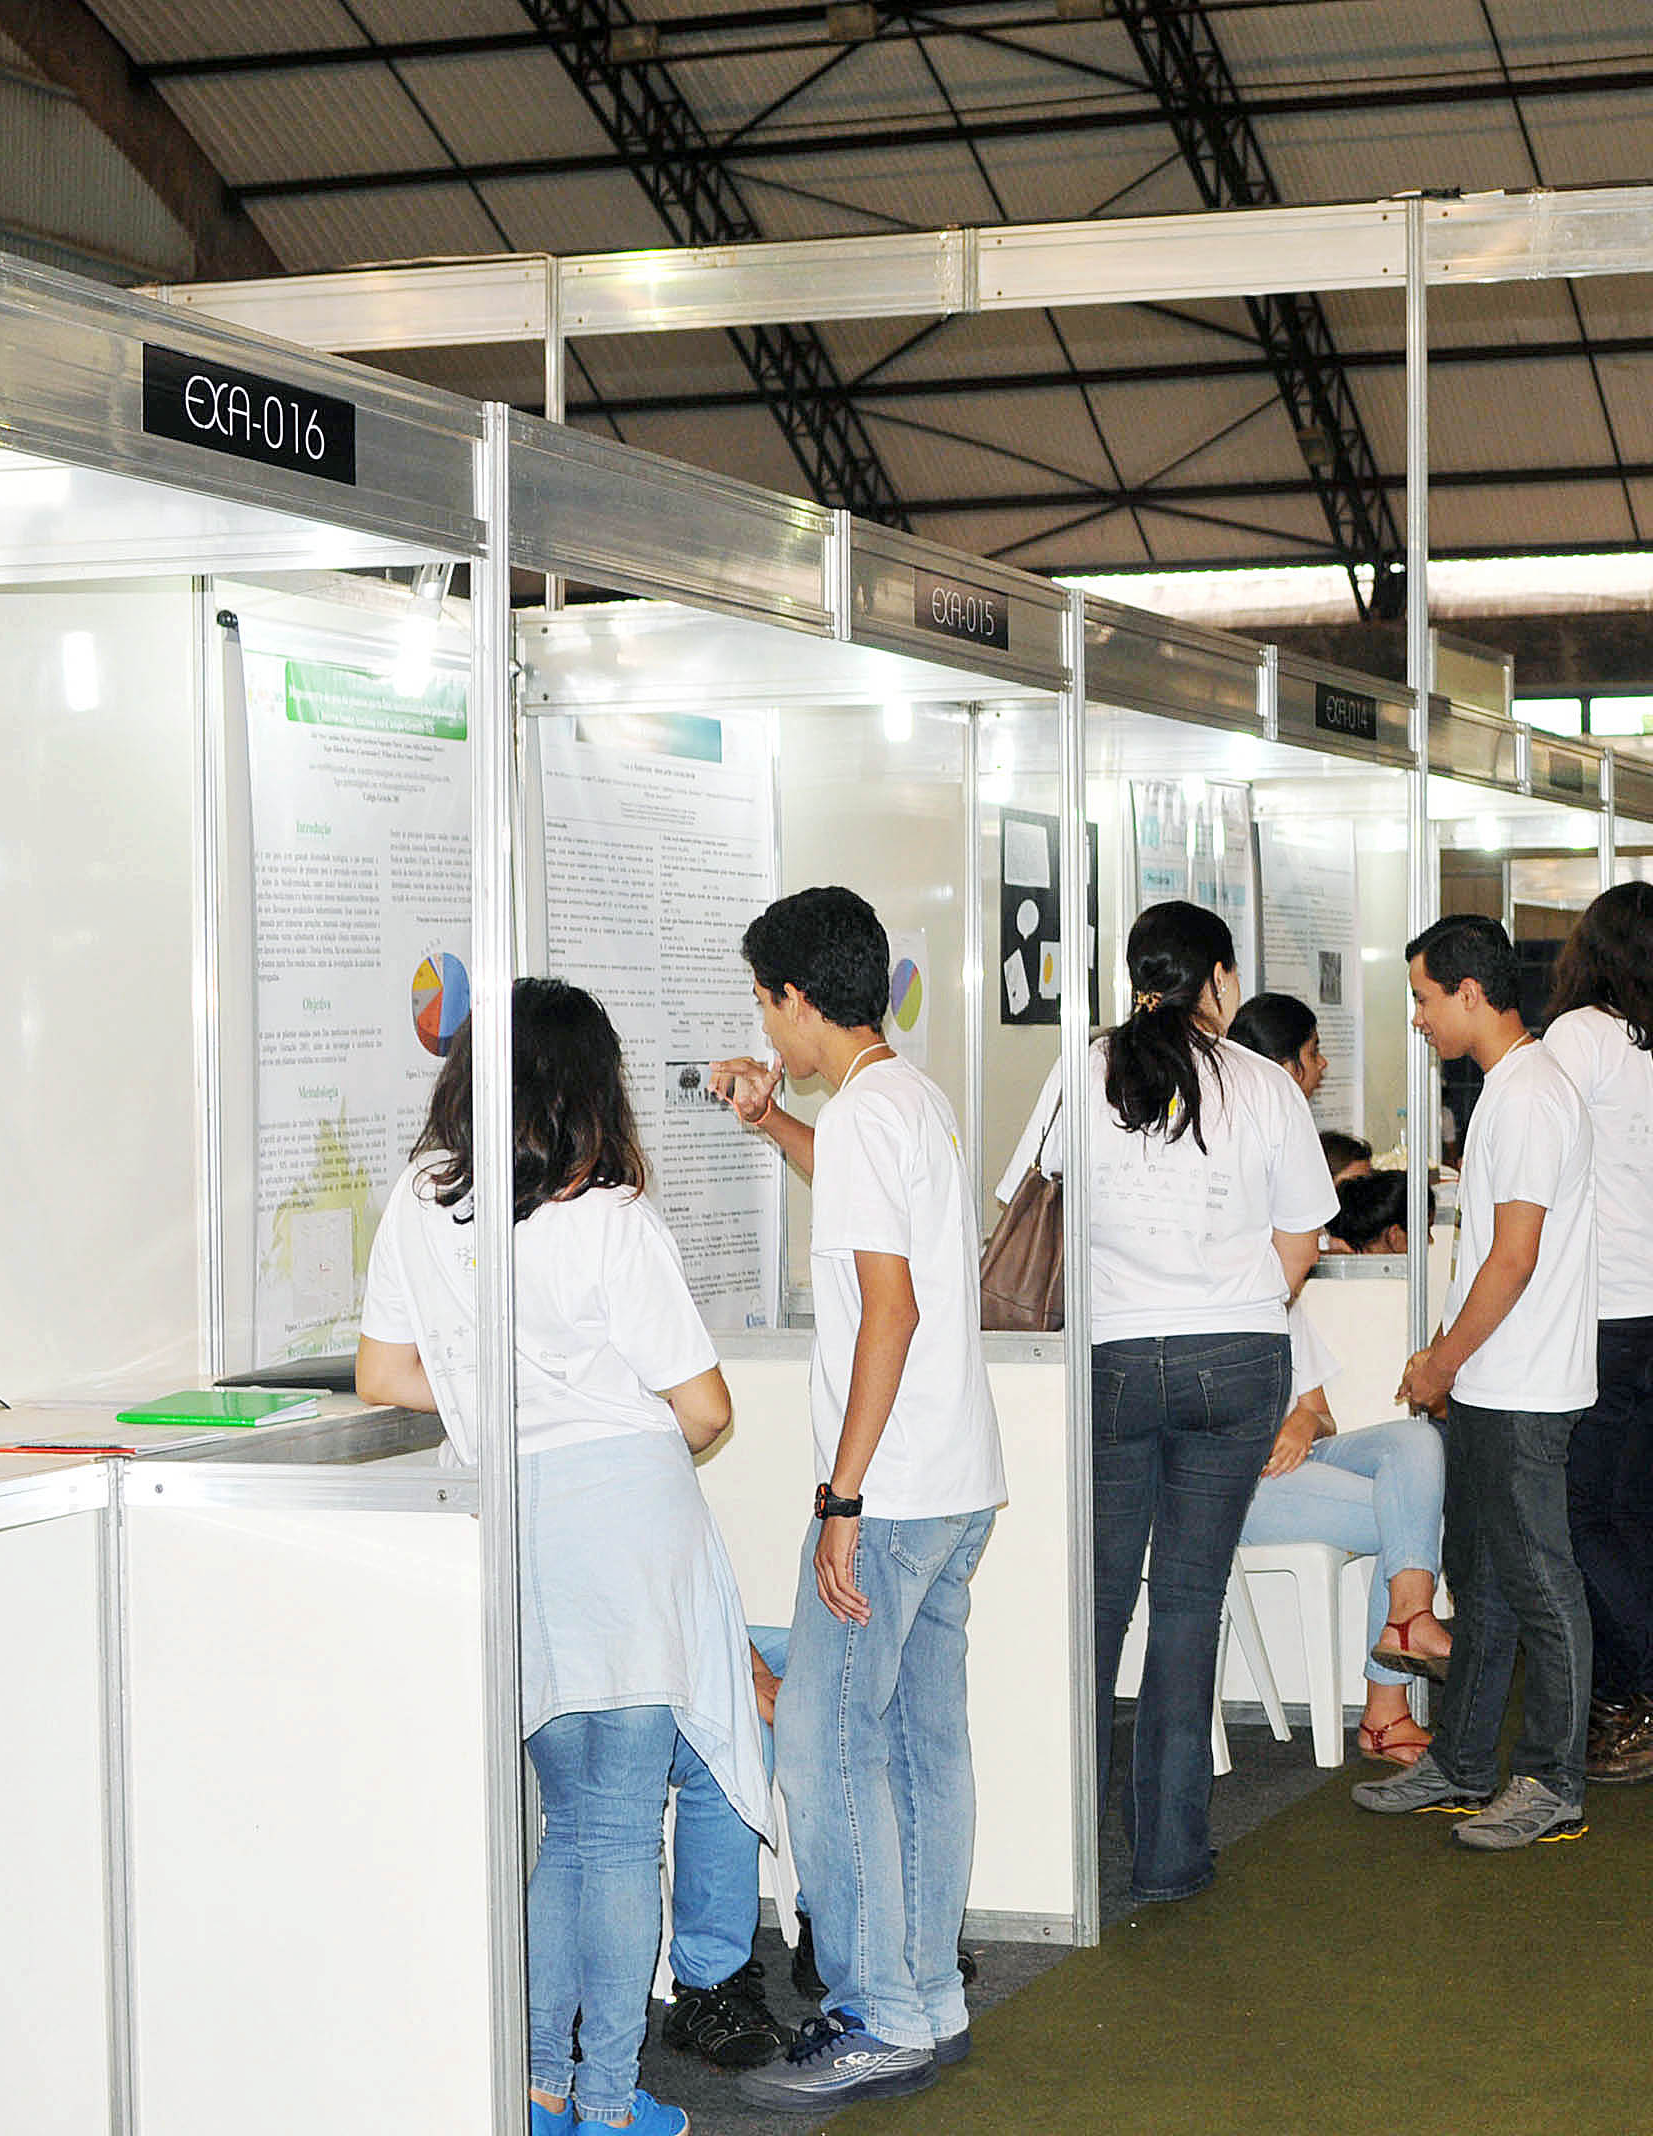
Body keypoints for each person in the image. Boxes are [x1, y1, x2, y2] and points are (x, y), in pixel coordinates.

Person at [360, 978, 758, 2136]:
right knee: (621, 1833)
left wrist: (501, 1401)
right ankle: (609, 2103)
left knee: (564, 1824)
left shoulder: (421, 1201)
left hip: (512, 1526)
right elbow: (706, 1409)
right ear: (590, 1084)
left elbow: (384, 1377)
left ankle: (536, 2089)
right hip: (626, 1529)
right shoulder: (609, 1215)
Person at [704, 886, 1005, 2110]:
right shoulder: (901, 1100)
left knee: (826, 1752)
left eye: (763, 1004)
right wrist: (774, 1123)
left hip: (889, 1494)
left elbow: (892, 1310)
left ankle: (878, 2015)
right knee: (922, 1749)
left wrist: (841, 1499)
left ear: (794, 997)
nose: (764, 1029)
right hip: (951, 1485)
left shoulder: (875, 1115)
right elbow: (864, 1202)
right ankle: (925, 2000)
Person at [1004, 903, 1338, 1897]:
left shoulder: (1083, 1069)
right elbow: (1301, 1238)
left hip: (1108, 1358)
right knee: (1190, 1602)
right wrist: (1241, 1307)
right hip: (1234, 1358)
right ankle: (1170, 1856)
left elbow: (1026, 1200)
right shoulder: (1264, 1084)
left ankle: (1064, 1856)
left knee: (1100, 1602)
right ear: (1220, 980)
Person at [1354, 914, 1601, 1851]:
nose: (1418, 1018)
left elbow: (1515, 1257)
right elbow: (1495, 1259)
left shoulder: (1530, 1094)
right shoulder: (1511, 1089)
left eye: (1423, 998)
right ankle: (1461, 1762)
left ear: (1469, 992)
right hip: (1496, 1380)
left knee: (1539, 1584)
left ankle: (1553, 1781)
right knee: (1486, 1585)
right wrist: (1449, 1358)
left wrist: (1442, 1361)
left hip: (1525, 1387)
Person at [1221, 1001, 1454, 1766]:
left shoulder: (1270, 1266)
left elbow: (1318, 1410)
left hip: (1292, 1459)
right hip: (1231, 1480)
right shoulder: (1208, 1272)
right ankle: (1387, 1703)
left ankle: (1405, 1626)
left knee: (1416, 1442)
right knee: (1410, 1510)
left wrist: (1301, 1423)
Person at [1542, 883, 1653, 1783]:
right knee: (1626, 1515)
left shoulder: (1576, 1038)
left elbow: (1543, 1169)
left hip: (1606, 1310)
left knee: (1580, 1520)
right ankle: (1620, 1707)